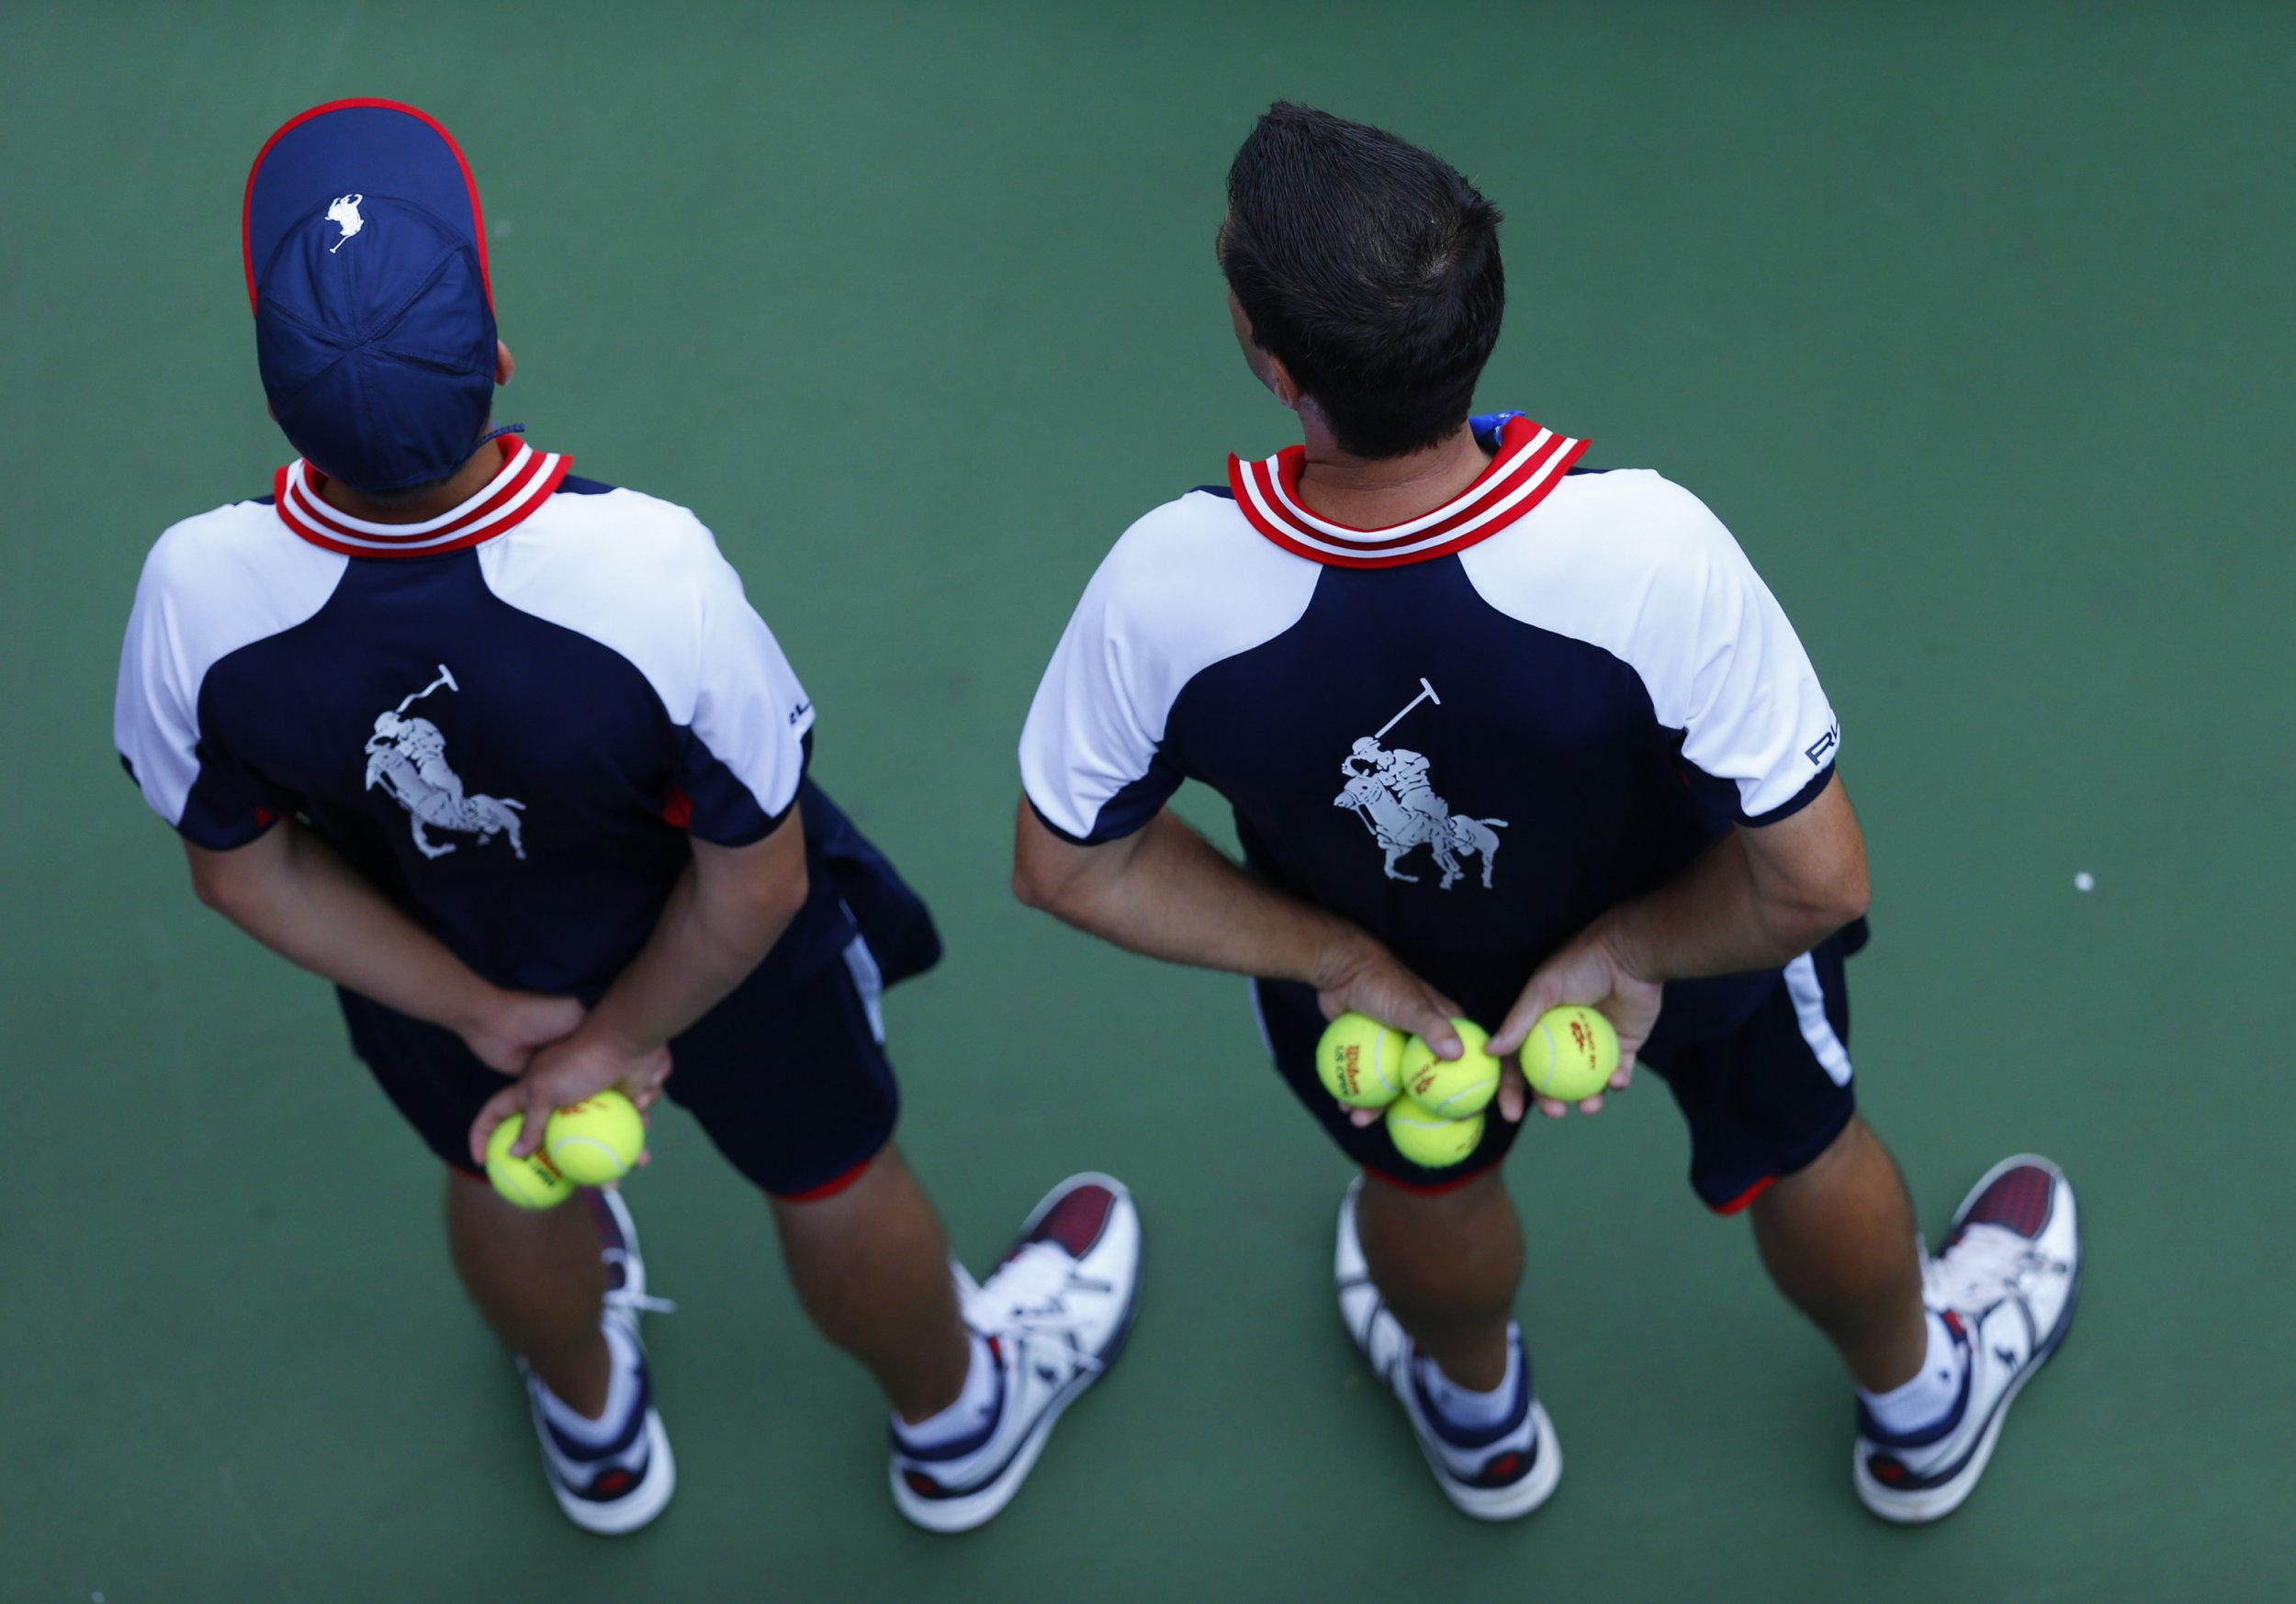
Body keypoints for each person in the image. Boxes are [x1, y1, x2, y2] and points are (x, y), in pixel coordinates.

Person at [1012, 102, 2075, 1524]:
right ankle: (1920, 1402)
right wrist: (1633, 953)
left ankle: (1480, 1424)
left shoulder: (1164, 586)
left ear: (1269, 363)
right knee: (1803, 1139)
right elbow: (1813, 885)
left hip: (1397, 1006)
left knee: (1425, 1184)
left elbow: (1069, 868)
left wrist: (1338, 961)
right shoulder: (1650, 548)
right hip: (1702, 946)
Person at [114, 99, 1139, 1537]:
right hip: (715, 968)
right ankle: (958, 1420)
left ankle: (594, 1433)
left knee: (502, 1167)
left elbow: (246, 874)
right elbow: (755, 884)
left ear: (284, 403)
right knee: (834, 1173)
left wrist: (485, 1014)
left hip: (432, 957)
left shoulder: (191, 598)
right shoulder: (650, 572)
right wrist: (617, 1038)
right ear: (501, 362)